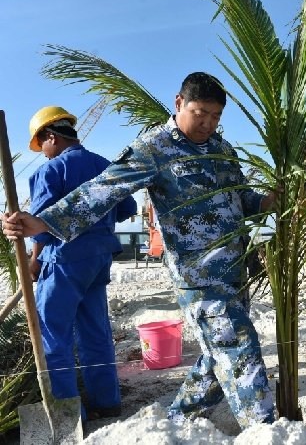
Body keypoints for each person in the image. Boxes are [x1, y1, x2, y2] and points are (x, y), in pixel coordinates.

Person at [3, 73, 275, 427]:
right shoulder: (154, 148)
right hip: (199, 276)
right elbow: (105, 189)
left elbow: (240, 198)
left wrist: (267, 201)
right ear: (179, 103)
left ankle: (176, 425)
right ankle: (267, 431)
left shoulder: (223, 151)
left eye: (215, 116)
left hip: (237, 269)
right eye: (200, 112)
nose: (207, 123)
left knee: (216, 356)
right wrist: (45, 222)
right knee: (239, 351)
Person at [25, 105, 138, 421]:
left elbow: (41, 224)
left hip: (64, 259)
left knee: (51, 334)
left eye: (42, 146)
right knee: (94, 332)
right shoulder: (103, 165)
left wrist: (34, 262)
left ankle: (67, 414)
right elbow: (127, 206)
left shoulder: (51, 171)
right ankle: (107, 402)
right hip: (99, 259)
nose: (44, 154)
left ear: (51, 136)